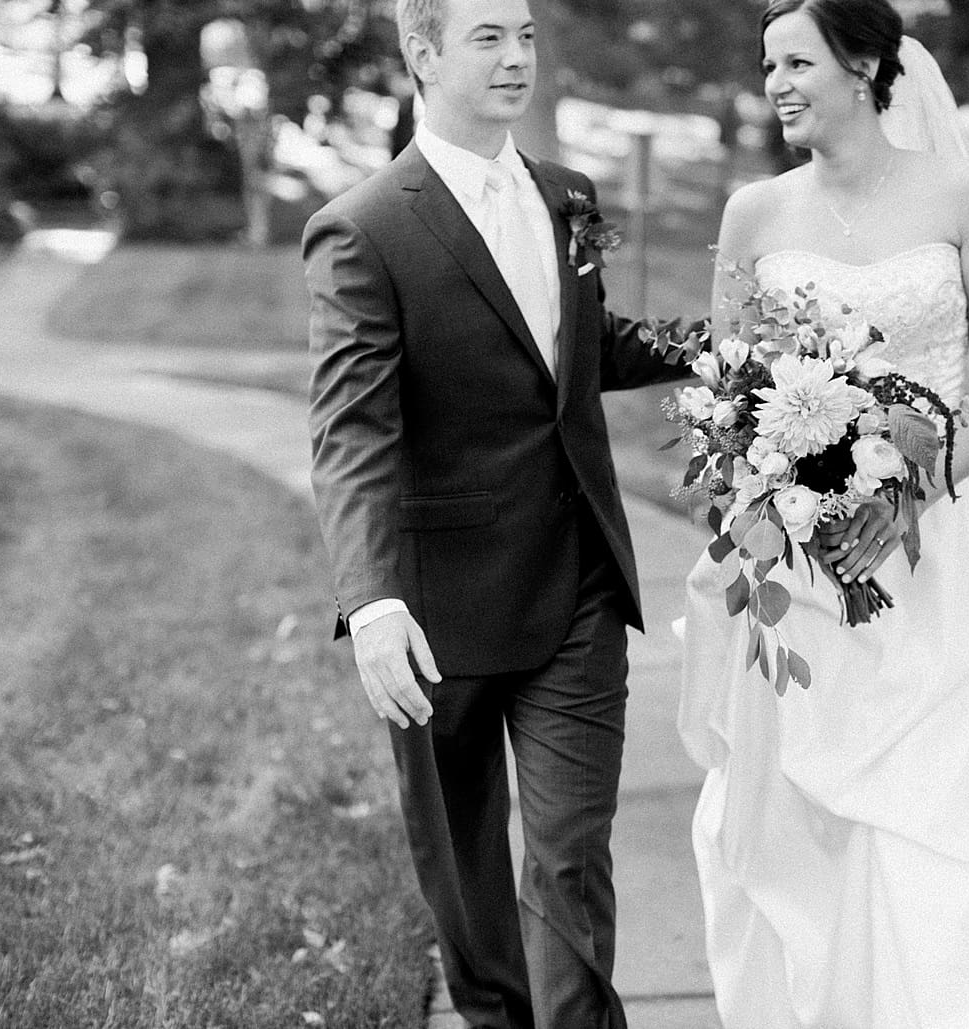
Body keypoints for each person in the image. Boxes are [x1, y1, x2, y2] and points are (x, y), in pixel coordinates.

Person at [302, 0, 690, 1026]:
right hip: (443, 612)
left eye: (523, 34)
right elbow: (351, 434)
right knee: (468, 874)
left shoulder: (568, 197)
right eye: (488, 38)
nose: (518, 55)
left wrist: (727, 350)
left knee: (569, 859)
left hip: (576, 583)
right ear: (422, 53)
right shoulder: (365, 229)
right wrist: (373, 603)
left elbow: (582, 346)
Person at [677, 0, 969, 1025]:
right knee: (807, 829)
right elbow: (731, 392)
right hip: (800, 570)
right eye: (767, 67)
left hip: (942, 559)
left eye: (797, 61)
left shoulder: (961, 197)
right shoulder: (754, 213)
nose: (778, 85)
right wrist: (771, 497)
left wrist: (911, 493)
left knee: (949, 826)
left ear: (862, 66)